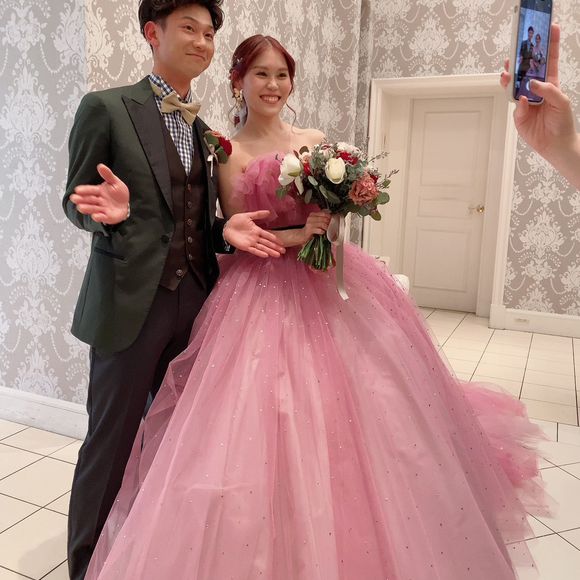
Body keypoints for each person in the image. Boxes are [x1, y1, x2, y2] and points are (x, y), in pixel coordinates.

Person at [85, 35, 547, 580]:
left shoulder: (315, 143)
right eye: (261, 74)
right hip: (258, 288)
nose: (273, 85)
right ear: (238, 82)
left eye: (282, 75)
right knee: (256, 416)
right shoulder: (225, 152)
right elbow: (239, 231)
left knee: (370, 409)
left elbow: (332, 222)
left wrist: (329, 224)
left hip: (325, 284)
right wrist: (296, 234)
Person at [62, 2, 285, 578]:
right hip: (129, 305)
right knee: (110, 443)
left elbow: (191, 218)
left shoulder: (204, 132)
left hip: (196, 303)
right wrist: (106, 216)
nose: (203, 42)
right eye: (189, 28)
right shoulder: (107, 108)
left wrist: (225, 230)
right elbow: (75, 200)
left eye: (209, 33)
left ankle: (147, 554)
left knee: (176, 439)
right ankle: (86, 566)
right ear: (152, 33)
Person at [501, 23, 580, 189]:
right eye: (532, 35)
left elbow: (540, 60)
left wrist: (564, 143)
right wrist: (563, 143)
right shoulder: (525, 44)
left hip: (535, 73)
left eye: (536, 36)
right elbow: (522, 57)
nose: (534, 37)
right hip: (524, 71)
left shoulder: (536, 48)